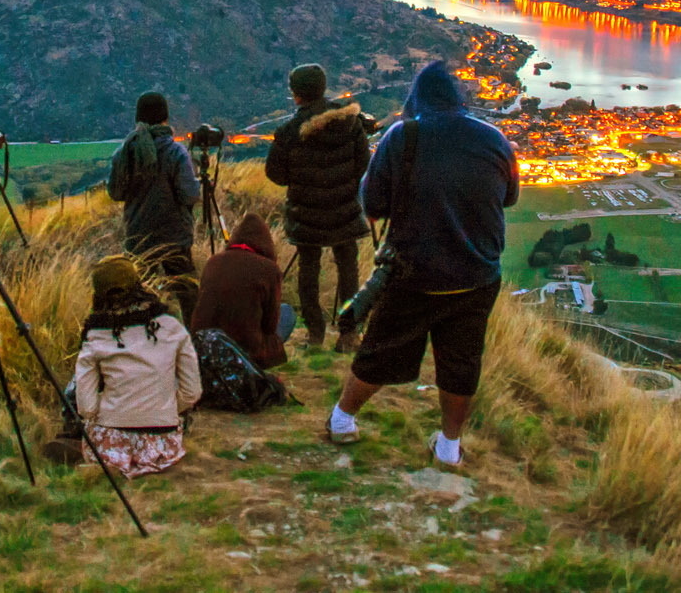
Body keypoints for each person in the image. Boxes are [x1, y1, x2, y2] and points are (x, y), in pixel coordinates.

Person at [327, 60, 518, 469]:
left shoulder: (402, 138)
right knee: (461, 361)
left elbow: (373, 205)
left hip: (414, 271)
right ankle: (449, 447)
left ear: (417, 99)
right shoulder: (495, 140)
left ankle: (342, 421)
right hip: (476, 273)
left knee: (381, 347)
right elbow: (508, 198)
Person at [264, 63, 371, 351]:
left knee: (308, 272)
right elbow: (363, 163)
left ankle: (314, 334)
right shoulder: (350, 123)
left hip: (306, 213)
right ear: (323, 88)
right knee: (348, 270)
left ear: (296, 95)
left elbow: (275, 174)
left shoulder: (288, 132)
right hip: (345, 210)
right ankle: (349, 334)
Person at [73, 254, 203, 477]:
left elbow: (86, 407)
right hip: (163, 442)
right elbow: (192, 392)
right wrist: (167, 409)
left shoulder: (95, 335)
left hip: (111, 445)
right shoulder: (171, 327)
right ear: (139, 286)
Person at [107, 91, 202, 325]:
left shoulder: (124, 152)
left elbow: (115, 193)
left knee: (142, 296)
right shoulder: (176, 152)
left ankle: (148, 344)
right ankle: (194, 340)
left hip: (139, 238)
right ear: (165, 118)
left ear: (138, 118)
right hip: (174, 237)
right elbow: (189, 194)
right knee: (188, 293)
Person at [192, 213, 295, 369]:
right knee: (288, 313)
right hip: (246, 352)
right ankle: (256, 365)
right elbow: (270, 326)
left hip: (204, 347)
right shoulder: (269, 269)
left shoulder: (213, 262)